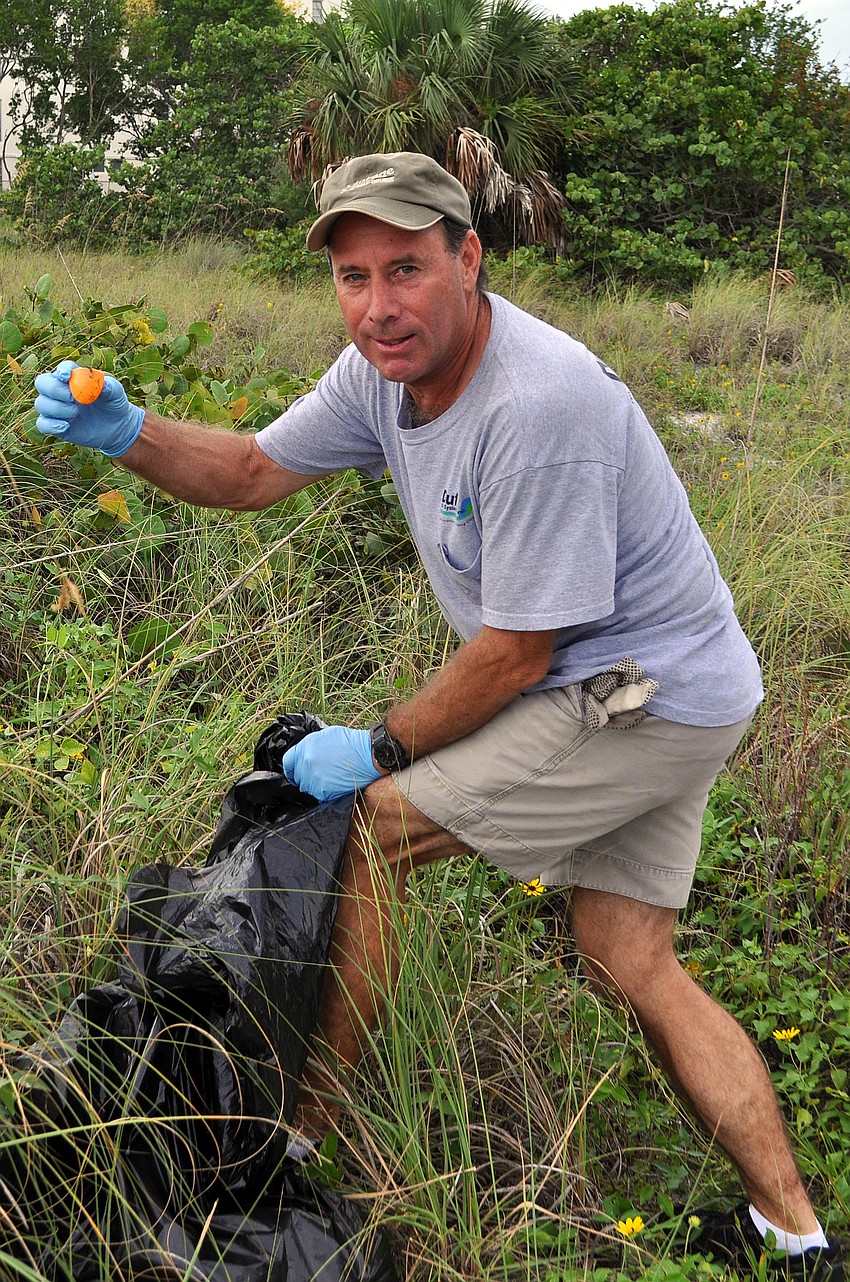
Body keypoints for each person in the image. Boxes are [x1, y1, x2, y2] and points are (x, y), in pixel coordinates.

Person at [33, 151, 842, 1279]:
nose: (377, 305)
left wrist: (373, 747)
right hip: (660, 681)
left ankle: (289, 1144)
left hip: (638, 695)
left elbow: (519, 653)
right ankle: (794, 1236)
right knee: (629, 956)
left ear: (470, 258)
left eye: (405, 268)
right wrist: (132, 434)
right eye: (353, 276)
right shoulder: (382, 373)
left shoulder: (536, 404)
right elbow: (257, 469)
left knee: (379, 827)